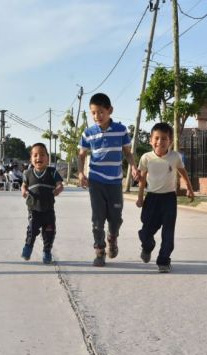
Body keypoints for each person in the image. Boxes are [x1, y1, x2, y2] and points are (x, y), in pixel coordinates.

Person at [78, 93, 139, 267]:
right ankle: (99, 250)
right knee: (97, 219)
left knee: (116, 218)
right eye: (93, 113)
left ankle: (112, 238)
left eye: (101, 112)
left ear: (110, 110)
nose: (97, 116)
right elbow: (82, 155)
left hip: (114, 183)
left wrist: (134, 167)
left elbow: (127, 152)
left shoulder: (121, 130)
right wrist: (81, 173)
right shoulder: (88, 133)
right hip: (96, 181)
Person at [136, 122, 195, 273]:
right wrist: (140, 197)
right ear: (151, 140)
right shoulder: (146, 158)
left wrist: (189, 187)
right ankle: (148, 246)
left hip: (169, 199)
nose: (160, 142)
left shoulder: (175, 157)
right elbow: (142, 180)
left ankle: (164, 260)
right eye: (157, 138)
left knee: (168, 232)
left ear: (170, 141)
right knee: (146, 231)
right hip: (151, 199)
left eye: (164, 139)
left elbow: (183, 172)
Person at [21, 143, 64, 264]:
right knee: (32, 230)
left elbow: (60, 184)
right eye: (35, 155)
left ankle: (47, 251)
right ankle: (28, 247)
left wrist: (58, 189)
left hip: (48, 209)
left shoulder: (52, 172)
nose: (38, 157)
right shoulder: (27, 173)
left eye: (42, 155)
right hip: (33, 209)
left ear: (47, 158)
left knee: (49, 232)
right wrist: (23, 190)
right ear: (31, 159)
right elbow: (24, 185)